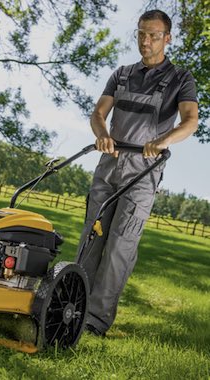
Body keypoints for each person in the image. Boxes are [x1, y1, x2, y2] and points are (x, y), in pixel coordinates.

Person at [79, 9, 198, 337]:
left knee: (120, 246)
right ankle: (71, 305)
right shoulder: (121, 74)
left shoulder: (180, 79)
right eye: (141, 34)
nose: (146, 41)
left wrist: (162, 141)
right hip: (108, 166)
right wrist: (101, 134)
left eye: (154, 36)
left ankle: (94, 323)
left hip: (142, 174)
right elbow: (99, 113)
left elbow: (190, 121)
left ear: (167, 38)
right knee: (92, 238)